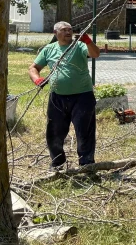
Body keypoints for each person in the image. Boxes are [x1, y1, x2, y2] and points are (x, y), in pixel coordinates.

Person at [28, 22, 101, 169]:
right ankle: (58, 163)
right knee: (54, 132)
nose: (68, 32)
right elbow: (33, 68)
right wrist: (37, 79)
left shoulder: (79, 46)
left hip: (82, 97)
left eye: (70, 30)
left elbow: (95, 54)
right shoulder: (49, 49)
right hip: (57, 98)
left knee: (84, 131)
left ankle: (86, 164)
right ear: (55, 33)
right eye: (64, 30)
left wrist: (87, 41)